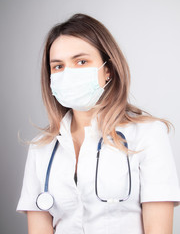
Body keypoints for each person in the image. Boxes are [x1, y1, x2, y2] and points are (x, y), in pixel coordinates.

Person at [16, 13, 180, 234]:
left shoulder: (148, 134)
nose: (69, 73)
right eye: (58, 66)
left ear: (108, 69)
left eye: (81, 61)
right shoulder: (41, 147)